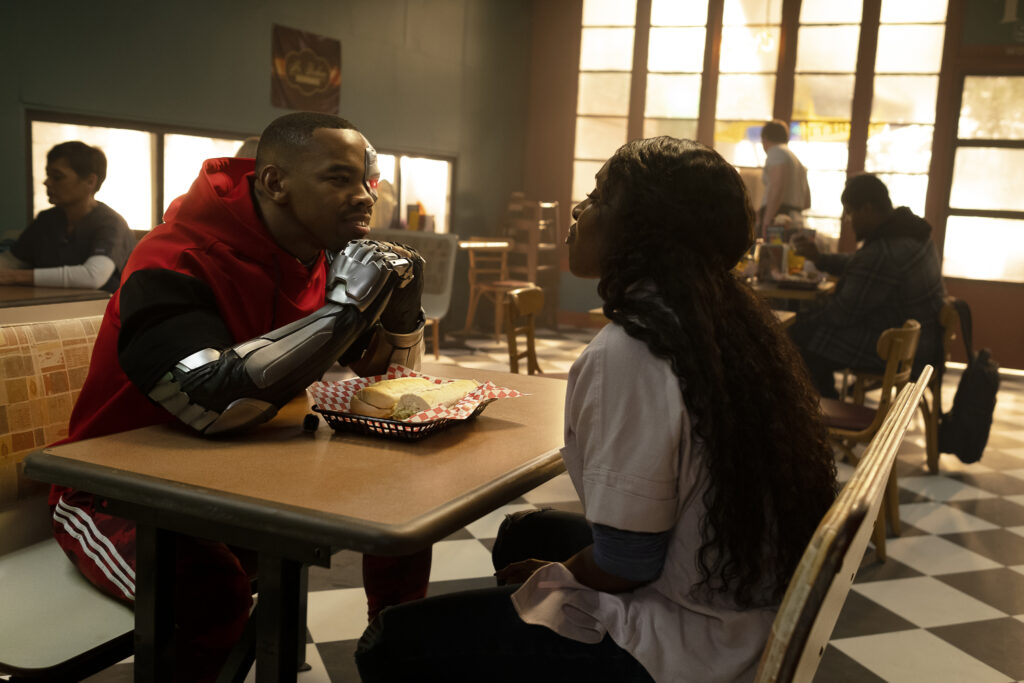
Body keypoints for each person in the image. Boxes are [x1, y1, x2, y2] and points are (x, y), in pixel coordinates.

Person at [354, 137, 838, 682]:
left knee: (389, 643)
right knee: (522, 534)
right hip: (744, 599)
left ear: (643, 232)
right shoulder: (720, 324)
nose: (580, 210)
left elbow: (629, 561)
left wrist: (561, 576)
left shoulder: (631, 350)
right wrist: (559, 571)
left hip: (688, 642)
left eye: (598, 196)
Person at [48, 112, 431, 681]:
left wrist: (401, 315)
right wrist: (345, 309)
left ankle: (392, 659)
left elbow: (390, 384)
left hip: (244, 475)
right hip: (115, 494)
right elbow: (210, 404)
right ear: (276, 183)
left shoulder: (320, 253)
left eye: (366, 181)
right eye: (339, 179)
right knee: (215, 599)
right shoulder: (171, 260)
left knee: (403, 513)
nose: (363, 197)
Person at [789, 173, 946, 399]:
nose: (849, 221)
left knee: (800, 342)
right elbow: (860, 263)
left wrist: (796, 321)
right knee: (808, 335)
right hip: (922, 344)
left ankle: (827, 421)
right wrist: (820, 258)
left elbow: (841, 314)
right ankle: (829, 413)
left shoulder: (883, 251)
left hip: (896, 350)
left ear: (867, 209)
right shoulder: (911, 233)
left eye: (850, 213)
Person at [0, 141, 135, 291]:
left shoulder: (110, 224)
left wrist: (14, 276)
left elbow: (93, 276)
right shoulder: (47, 220)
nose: (47, 182)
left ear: (90, 181)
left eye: (57, 177)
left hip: (100, 312)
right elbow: (11, 261)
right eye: (47, 175)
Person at [759, 119, 810, 240]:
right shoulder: (795, 159)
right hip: (795, 218)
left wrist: (766, 220)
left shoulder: (776, 152)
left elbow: (777, 186)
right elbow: (807, 202)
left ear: (765, 138)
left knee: (772, 256)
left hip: (778, 218)